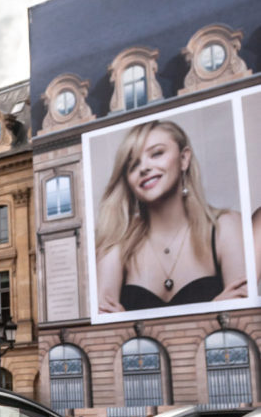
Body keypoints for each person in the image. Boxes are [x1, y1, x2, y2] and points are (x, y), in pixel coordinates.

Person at [96, 120, 246, 312]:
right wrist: (212, 311)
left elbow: (242, 320)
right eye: (133, 164)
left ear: (184, 159)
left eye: (157, 153)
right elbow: (105, 328)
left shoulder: (225, 227)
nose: (144, 168)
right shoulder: (116, 242)